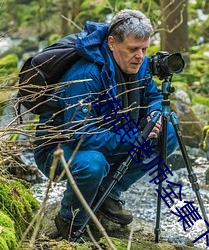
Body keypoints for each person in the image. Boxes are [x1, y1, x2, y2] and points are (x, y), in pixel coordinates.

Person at [34, 9, 178, 241]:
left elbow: (152, 96)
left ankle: (108, 193)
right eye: (133, 49)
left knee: (168, 133)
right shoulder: (85, 75)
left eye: (144, 49)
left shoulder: (138, 64)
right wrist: (135, 139)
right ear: (112, 43)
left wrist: (154, 113)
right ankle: (69, 221)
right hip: (60, 149)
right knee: (93, 164)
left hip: (110, 136)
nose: (140, 56)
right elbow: (80, 135)